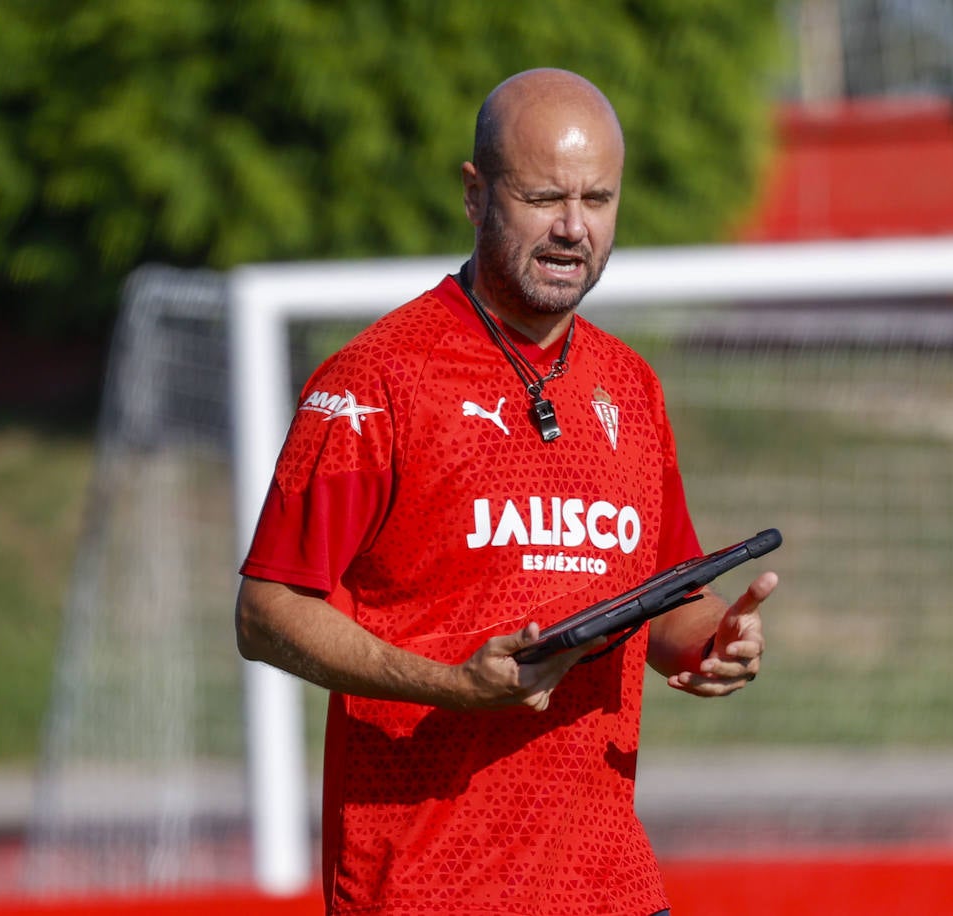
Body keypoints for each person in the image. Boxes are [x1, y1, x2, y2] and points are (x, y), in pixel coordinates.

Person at [235, 67, 779, 916]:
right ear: (475, 193)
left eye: (598, 200)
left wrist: (714, 641)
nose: (573, 228)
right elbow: (266, 610)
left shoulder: (631, 388)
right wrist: (453, 685)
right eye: (543, 197)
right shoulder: (376, 379)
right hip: (423, 891)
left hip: (611, 888)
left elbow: (665, 603)